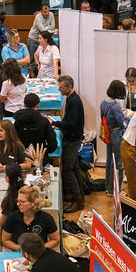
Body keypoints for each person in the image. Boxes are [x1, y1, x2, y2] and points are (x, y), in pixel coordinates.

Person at [55, 75, 85, 212]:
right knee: (74, 166)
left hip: (73, 139)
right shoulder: (71, 98)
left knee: (67, 169)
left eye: (61, 87)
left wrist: (56, 123)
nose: (59, 90)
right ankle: (79, 194)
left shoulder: (74, 101)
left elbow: (70, 124)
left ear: (69, 87)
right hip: (73, 137)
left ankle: (78, 200)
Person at [1, 186, 59, 251]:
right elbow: (5, 240)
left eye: (22, 201)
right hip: (16, 252)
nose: (18, 204)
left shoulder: (46, 218)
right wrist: (20, 248)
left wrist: (39, 248)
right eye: (17, 201)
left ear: (33, 203)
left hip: (39, 252)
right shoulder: (12, 217)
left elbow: (56, 240)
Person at [100, 80, 128, 193]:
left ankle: (108, 187)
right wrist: (127, 118)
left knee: (109, 160)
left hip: (108, 133)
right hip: (116, 134)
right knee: (118, 162)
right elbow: (122, 123)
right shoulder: (116, 106)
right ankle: (115, 189)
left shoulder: (103, 102)